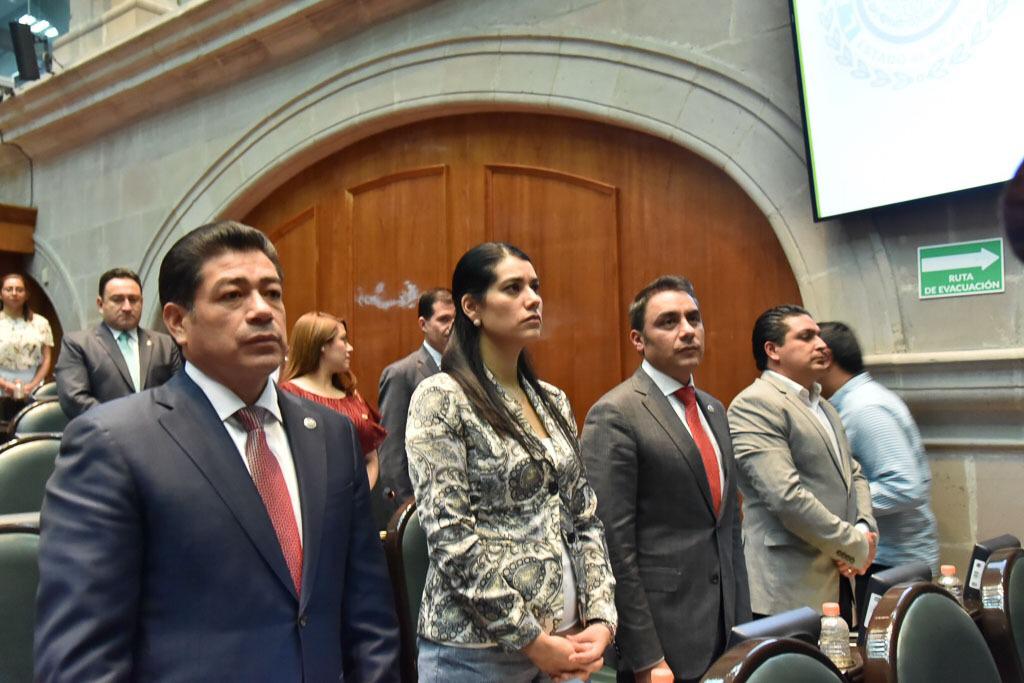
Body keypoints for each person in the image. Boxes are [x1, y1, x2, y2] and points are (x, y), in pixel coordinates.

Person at [35, 221, 400, 682]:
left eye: (272, 293)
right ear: (178, 322)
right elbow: (82, 659)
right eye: (233, 295)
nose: (262, 311)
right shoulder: (113, 444)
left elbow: (369, 617)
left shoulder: (331, 433)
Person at [406, 242, 617, 682]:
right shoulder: (441, 397)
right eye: (513, 288)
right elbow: (450, 536)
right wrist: (531, 640)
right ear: (472, 307)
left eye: (535, 286)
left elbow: (585, 518)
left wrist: (600, 618)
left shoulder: (552, 400)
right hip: (475, 654)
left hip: (566, 639)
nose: (533, 298)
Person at [581, 276, 750, 683]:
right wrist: (645, 656)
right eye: (669, 322)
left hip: (726, 634)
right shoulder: (616, 413)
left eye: (694, 318)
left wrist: (744, 632)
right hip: (663, 641)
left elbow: (727, 529)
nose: (687, 331)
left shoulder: (714, 410)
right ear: (638, 340)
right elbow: (612, 545)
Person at [727, 304, 877, 620]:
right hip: (786, 590)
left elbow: (854, 474)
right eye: (806, 337)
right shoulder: (755, 404)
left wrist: (864, 528)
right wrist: (853, 546)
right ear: (773, 350)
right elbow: (786, 496)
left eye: (819, 336)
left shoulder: (824, 406)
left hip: (837, 576)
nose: (822, 345)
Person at [818, 321, 939, 603]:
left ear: (826, 358)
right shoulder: (855, 402)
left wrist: (839, 504)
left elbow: (905, 487)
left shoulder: (865, 409)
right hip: (887, 560)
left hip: (894, 564)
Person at [54, 267, 182, 419]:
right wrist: (122, 425)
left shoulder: (164, 344)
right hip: (104, 431)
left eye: (133, 300)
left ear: (142, 302)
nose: (127, 307)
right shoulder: (78, 344)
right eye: (117, 299)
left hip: (159, 427)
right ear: (100, 304)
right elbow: (75, 400)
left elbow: (179, 392)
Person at [280, 311, 386, 488]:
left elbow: (371, 458)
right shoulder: (288, 395)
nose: (350, 348)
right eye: (343, 340)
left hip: (361, 496)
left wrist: (359, 496)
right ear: (322, 344)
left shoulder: (352, 395)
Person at [378, 288, 455, 506]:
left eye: (456, 319)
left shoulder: (469, 372)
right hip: (421, 504)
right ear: (423, 324)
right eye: (444, 319)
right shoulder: (402, 374)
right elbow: (392, 454)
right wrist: (408, 509)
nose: (452, 326)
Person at [0, 273, 53, 418]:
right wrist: (5, 385)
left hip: (31, 385)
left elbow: (47, 358)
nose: (14, 293)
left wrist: (32, 384)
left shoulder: (41, 323)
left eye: (19, 289)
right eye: (9, 289)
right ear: (1, 294)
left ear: (26, 295)